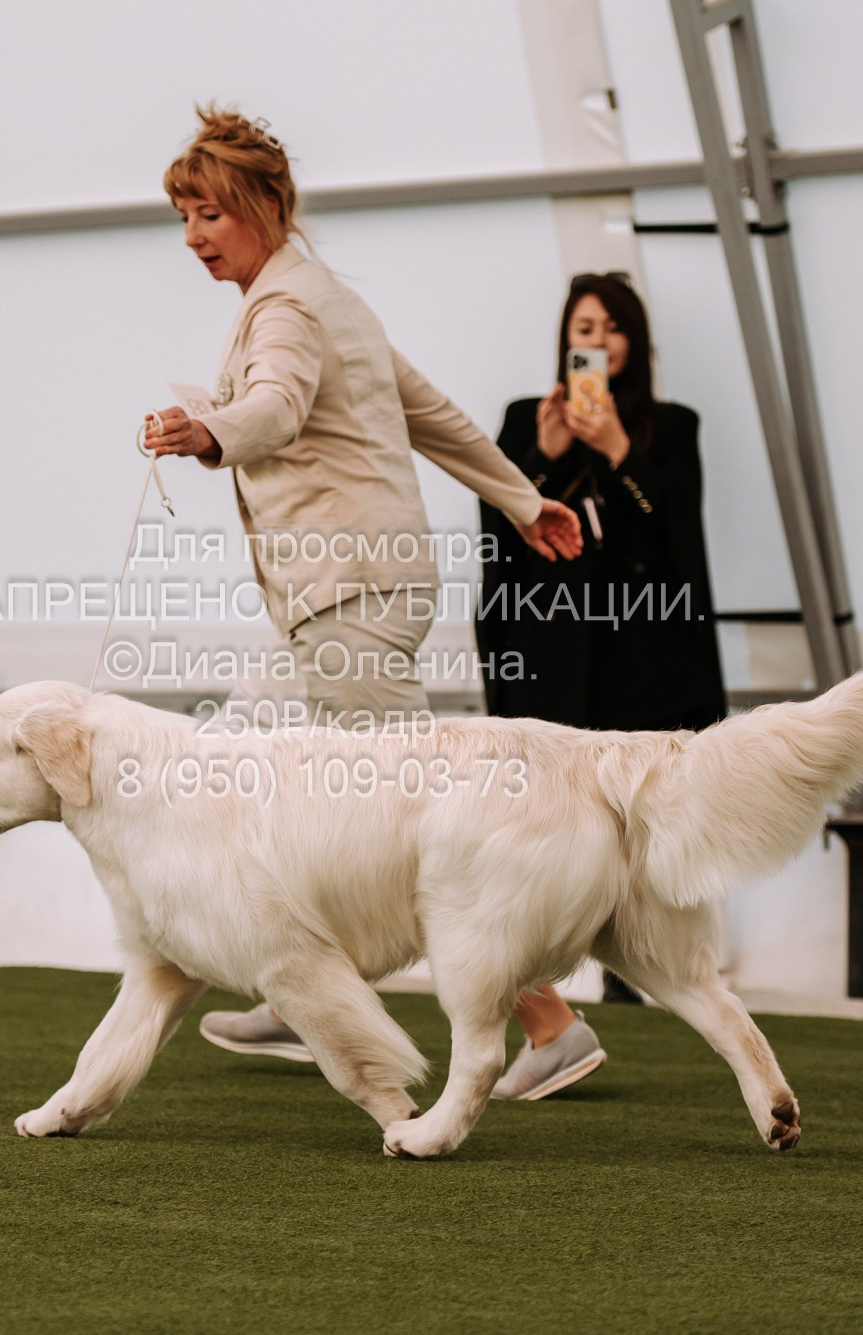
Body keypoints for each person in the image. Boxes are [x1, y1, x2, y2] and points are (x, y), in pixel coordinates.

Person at [140, 105, 591, 1095]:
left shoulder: (287, 311)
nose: (192, 238)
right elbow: (428, 413)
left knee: (416, 820)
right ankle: (302, 984)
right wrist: (520, 499)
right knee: (242, 773)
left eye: (207, 214)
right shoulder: (326, 296)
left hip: (349, 596)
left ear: (264, 205)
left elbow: (274, 407)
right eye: (183, 217)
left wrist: (209, 432)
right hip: (345, 599)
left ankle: (549, 1020)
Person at [472, 271, 728, 1097]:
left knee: (648, 825)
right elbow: (499, 533)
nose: (597, 341)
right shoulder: (524, 422)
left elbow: (677, 528)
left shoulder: (668, 428)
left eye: (611, 328)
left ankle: (653, 964)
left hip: (640, 661)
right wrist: (540, 461)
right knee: (548, 825)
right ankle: (558, 971)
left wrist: (620, 449)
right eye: (584, 326)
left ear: (633, 344)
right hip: (552, 659)